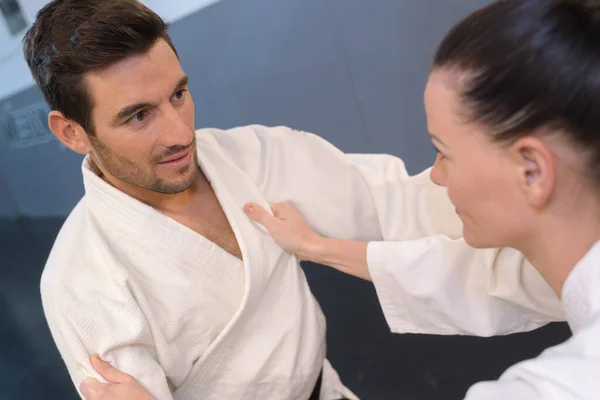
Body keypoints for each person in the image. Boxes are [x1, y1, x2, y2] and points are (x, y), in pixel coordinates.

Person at [73, 0, 600, 398]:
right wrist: (319, 246)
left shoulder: (556, 386)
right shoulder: (80, 279)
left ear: (533, 168)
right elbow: (499, 272)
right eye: (138, 115)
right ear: (72, 131)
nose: (179, 132)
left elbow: (396, 203)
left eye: (179, 95)